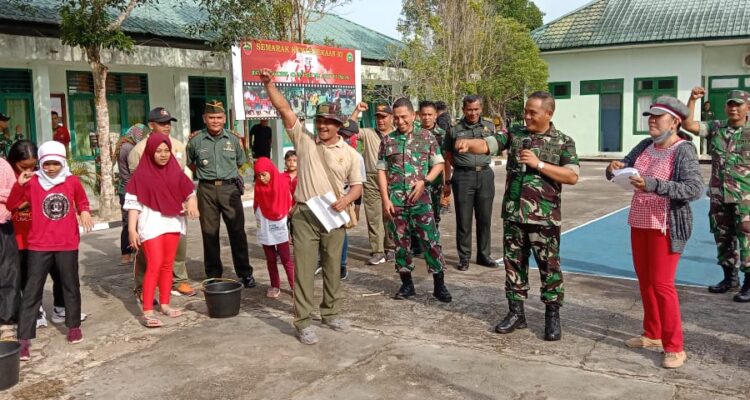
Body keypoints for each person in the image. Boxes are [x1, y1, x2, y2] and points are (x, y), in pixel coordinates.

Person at [455, 91, 579, 341]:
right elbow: (489, 143)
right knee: (514, 267)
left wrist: (538, 164)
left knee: (549, 268)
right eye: (526, 111)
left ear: (549, 113)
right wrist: (469, 144)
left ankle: (552, 317)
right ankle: (516, 313)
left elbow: (572, 176)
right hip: (514, 215)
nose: (527, 116)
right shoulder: (515, 134)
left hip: (544, 219)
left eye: (533, 112)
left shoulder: (563, 141)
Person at [260, 68, 362, 345]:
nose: (323, 126)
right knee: (304, 270)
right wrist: (270, 85)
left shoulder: (351, 154)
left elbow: (357, 186)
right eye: (320, 121)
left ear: (339, 124)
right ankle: (303, 321)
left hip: (334, 216)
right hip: (305, 214)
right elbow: (283, 109)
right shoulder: (304, 141)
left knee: (332, 268)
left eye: (329, 121)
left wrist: (347, 199)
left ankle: (331, 313)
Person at [606, 96, 703, 369]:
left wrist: (652, 184)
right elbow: (623, 165)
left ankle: (675, 347)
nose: (651, 119)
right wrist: (613, 168)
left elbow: (693, 189)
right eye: (650, 115)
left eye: (658, 116)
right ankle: (652, 334)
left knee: (662, 285)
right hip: (640, 221)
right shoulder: (646, 145)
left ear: (675, 122)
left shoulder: (684, 150)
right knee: (645, 281)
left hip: (666, 225)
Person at [9, 140, 93, 361]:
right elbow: (11, 205)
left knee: (70, 286)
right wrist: (19, 184)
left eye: (56, 163)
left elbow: (82, 201)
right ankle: (24, 339)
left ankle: (73, 326)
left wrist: (84, 212)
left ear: (63, 162)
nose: (51, 168)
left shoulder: (72, 181)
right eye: (47, 164)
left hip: (67, 244)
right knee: (31, 291)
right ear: (41, 163)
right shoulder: (33, 182)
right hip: (39, 245)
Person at [377, 98, 451, 303]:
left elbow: (438, 164)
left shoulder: (427, 137)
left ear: (413, 116)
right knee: (401, 244)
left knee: (431, 242)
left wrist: (424, 182)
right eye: (397, 117)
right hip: (397, 202)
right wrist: (385, 199)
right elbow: (381, 171)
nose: (400, 121)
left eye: (404, 117)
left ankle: (439, 285)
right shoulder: (387, 141)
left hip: (421, 201)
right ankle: (406, 284)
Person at [125, 134, 198, 327]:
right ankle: (148, 310)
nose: (163, 155)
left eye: (166, 151)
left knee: (167, 265)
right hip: (151, 226)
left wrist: (192, 201)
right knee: (155, 265)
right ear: (150, 151)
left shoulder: (175, 171)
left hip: (173, 223)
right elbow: (134, 205)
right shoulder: (141, 175)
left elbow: (189, 191)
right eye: (158, 151)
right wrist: (132, 230)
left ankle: (164, 304)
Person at [683, 88, 750, 301]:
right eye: (730, 104)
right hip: (719, 195)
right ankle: (729, 279)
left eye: (738, 104)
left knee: (747, 239)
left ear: (747, 107)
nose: (734, 108)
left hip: (745, 198)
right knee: (722, 237)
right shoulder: (716, 127)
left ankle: (749, 283)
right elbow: (688, 125)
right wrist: (693, 100)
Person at [186, 101, 256, 288]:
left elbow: (242, 163)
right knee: (209, 233)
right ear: (204, 119)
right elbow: (191, 164)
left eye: (219, 118)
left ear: (224, 119)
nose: (215, 121)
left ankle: (245, 273)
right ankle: (214, 275)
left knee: (237, 232)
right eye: (211, 118)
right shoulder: (195, 140)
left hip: (230, 189)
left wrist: (231, 178)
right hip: (206, 190)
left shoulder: (233, 140)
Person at [129, 109, 195, 299]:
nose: (166, 126)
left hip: (174, 206)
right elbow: (136, 185)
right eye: (161, 123)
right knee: (147, 252)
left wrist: (189, 198)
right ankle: (143, 286)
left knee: (178, 246)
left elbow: (182, 175)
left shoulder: (178, 146)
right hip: (150, 209)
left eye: (169, 122)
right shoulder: (139, 150)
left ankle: (178, 280)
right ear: (151, 125)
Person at [443, 96, 500, 271]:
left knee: (484, 218)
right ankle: (464, 258)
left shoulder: (489, 127)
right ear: (463, 110)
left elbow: (495, 147)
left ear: (481, 109)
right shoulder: (454, 129)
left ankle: (484, 255)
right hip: (463, 176)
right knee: (464, 219)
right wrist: (462, 166)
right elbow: (448, 153)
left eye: (476, 109)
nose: (473, 113)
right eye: (469, 109)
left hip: (485, 175)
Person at [349, 101, 396, 265]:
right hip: (371, 178)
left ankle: (391, 248)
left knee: (390, 214)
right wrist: (356, 111)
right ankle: (377, 251)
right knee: (374, 216)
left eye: (384, 117)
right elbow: (348, 129)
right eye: (378, 117)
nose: (380, 120)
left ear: (391, 117)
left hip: (392, 178)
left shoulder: (397, 134)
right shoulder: (368, 133)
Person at [253, 157, 294, 298]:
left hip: (279, 223)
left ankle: (294, 285)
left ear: (270, 171)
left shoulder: (281, 182)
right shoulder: (258, 186)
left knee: (285, 257)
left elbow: (289, 202)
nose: (261, 178)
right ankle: (275, 285)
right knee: (270, 258)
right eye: (258, 175)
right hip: (264, 224)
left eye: (263, 174)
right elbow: (256, 203)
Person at [116, 124, 148, 266]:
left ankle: (129, 253)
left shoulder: (125, 145)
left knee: (130, 221)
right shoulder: (129, 148)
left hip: (128, 188)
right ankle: (126, 254)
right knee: (129, 222)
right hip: (130, 189)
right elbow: (132, 172)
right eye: (143, 136)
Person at [418, 101, 447, 225]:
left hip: (435, 182)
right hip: (416, 179)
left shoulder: (443, 135)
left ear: (436, 115)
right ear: (419, 115)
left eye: (430, 114)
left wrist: (447, 183)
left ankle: (433, 242)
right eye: (424, 114)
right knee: (417, 215)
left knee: (434, 216)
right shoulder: (413, 133)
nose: (427, 118)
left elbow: (446, 161)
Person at [0, 155, 19, 341]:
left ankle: (6, 323)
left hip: (3, 223)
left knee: (7, 272)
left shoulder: (3, 165)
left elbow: (14, 194)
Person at [436, 101, 453, 211]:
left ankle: (445, 202)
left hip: (443, 152)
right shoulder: (447, 117)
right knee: (446, 176)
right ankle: (446, 202)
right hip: (446, 151)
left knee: (444, 177)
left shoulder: (441, 119)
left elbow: (442, 135)